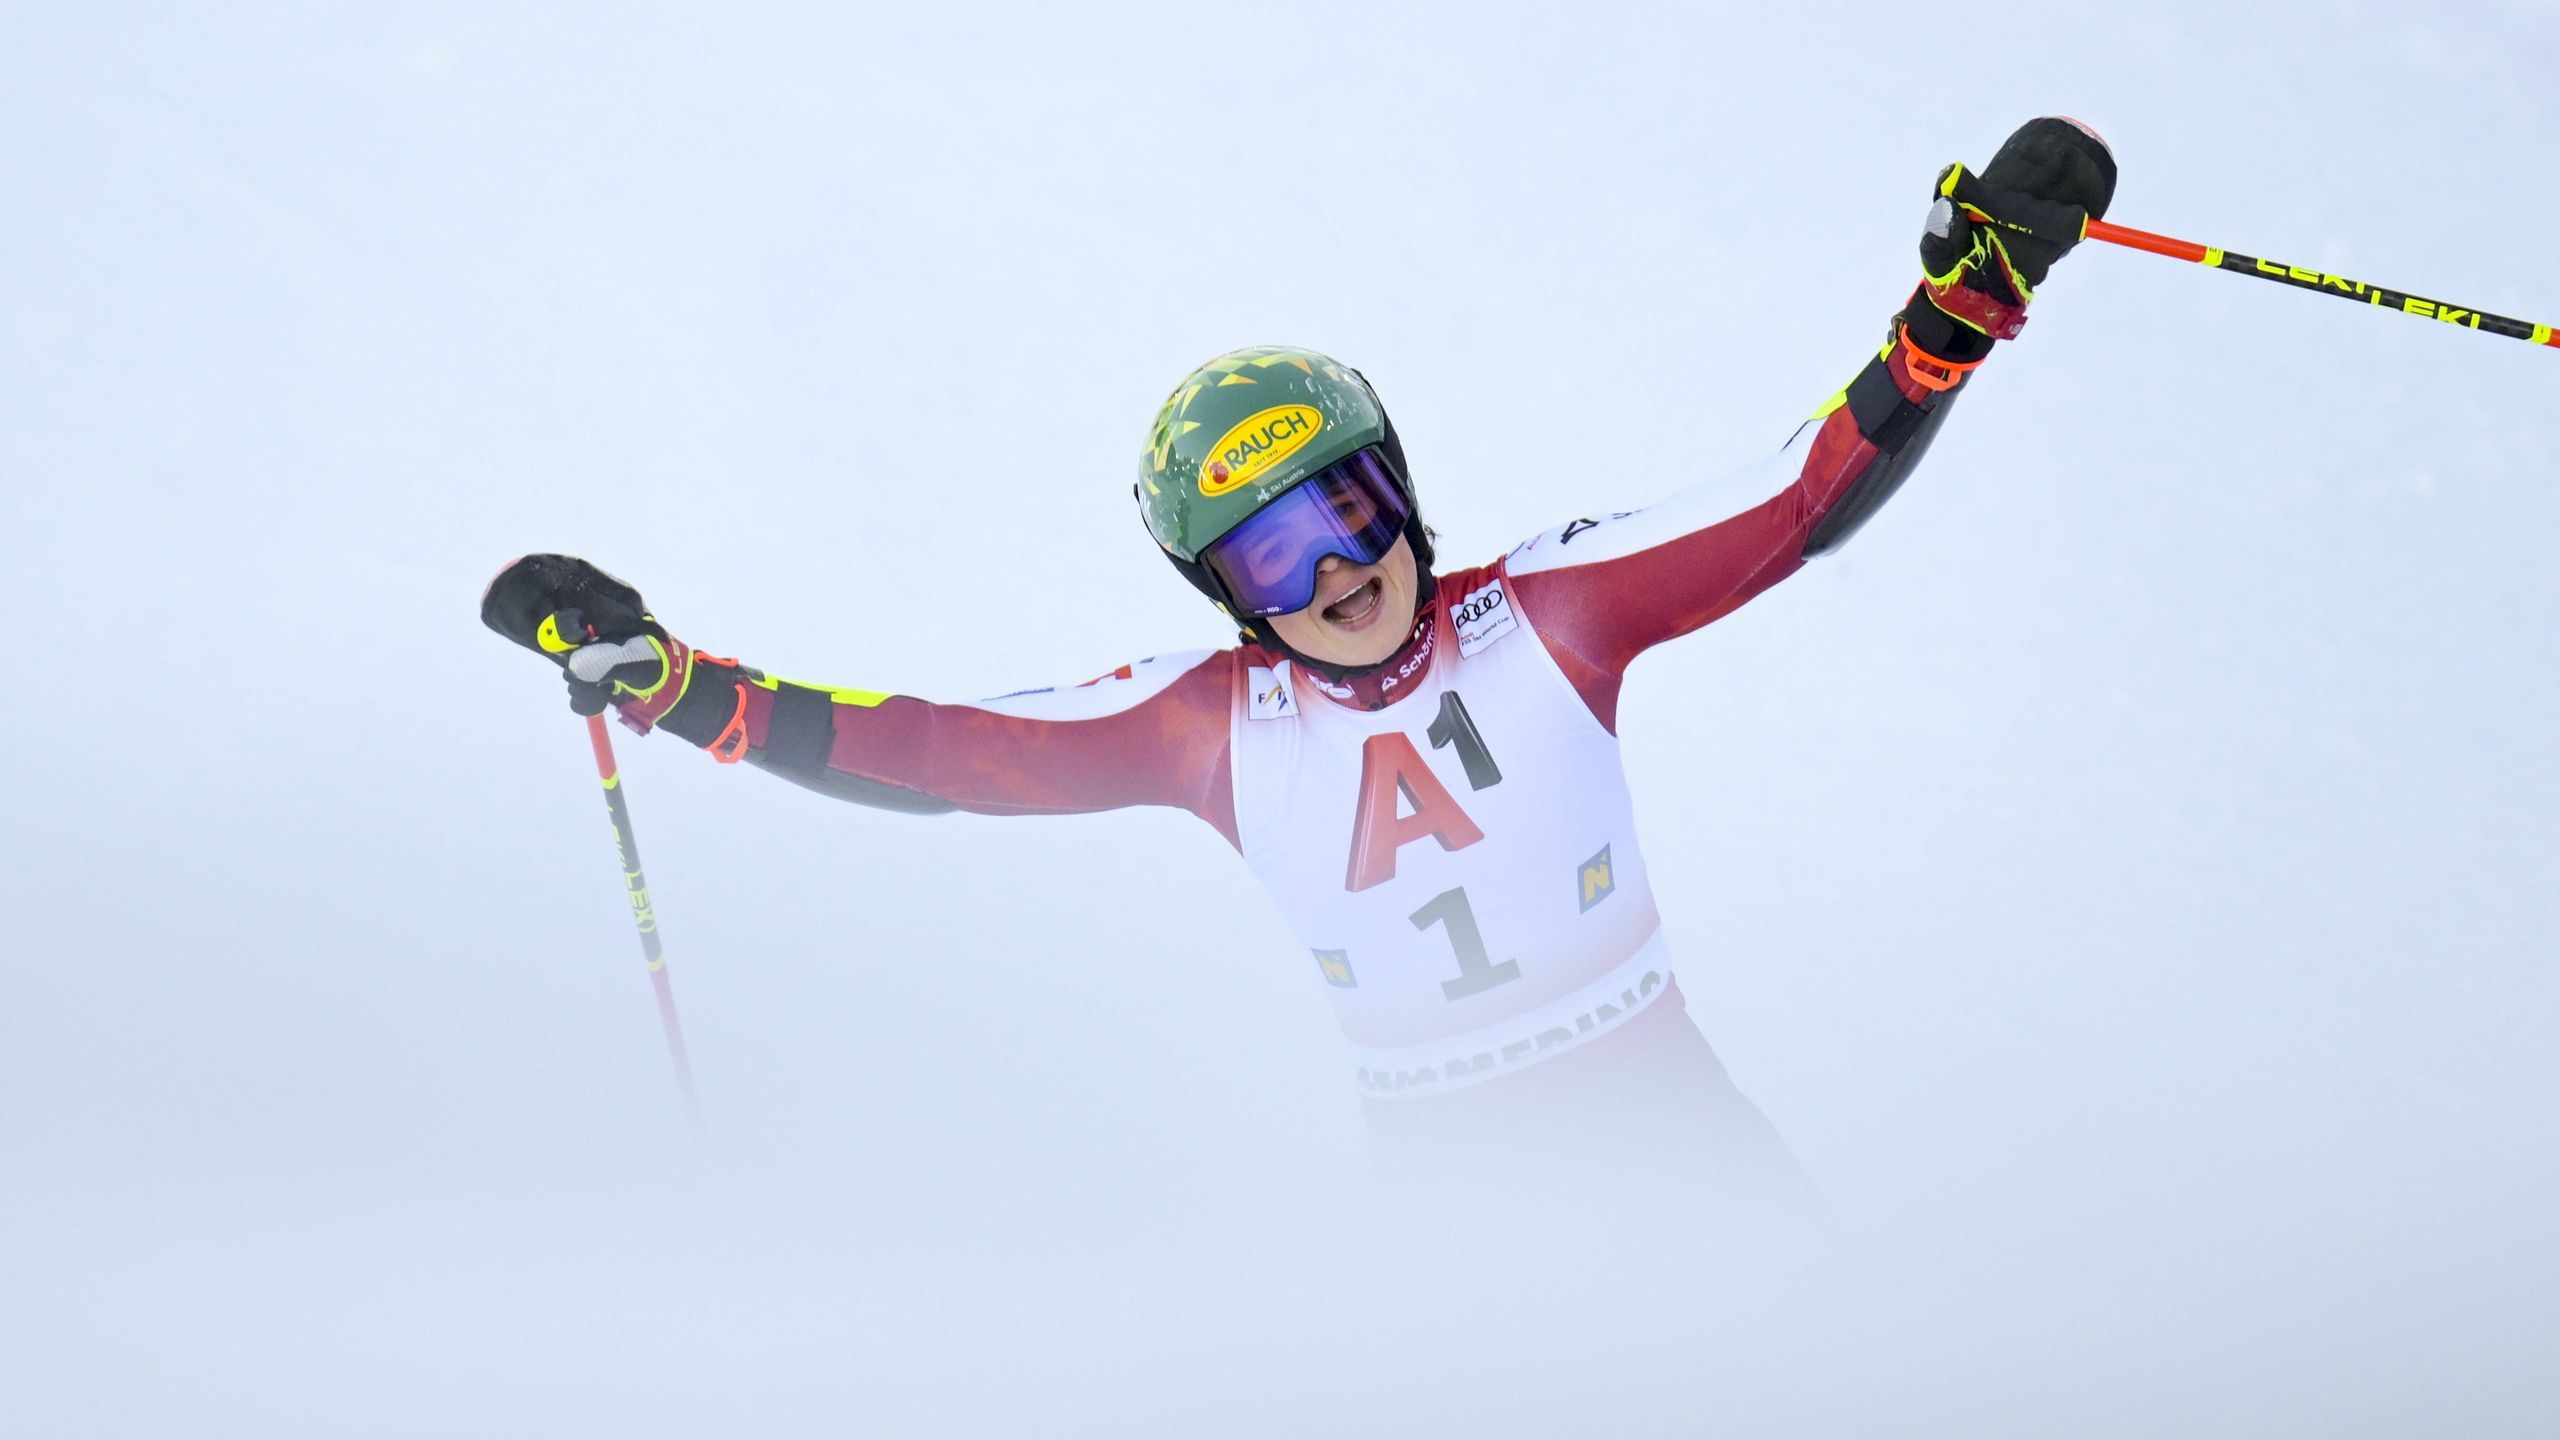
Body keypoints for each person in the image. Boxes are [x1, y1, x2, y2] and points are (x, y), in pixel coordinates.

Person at [485, 118, 2117, 1202]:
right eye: (1274, 554)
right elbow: (933, 755)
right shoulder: (1210, 728)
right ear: (1227, 597)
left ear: (1403, 488)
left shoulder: (1548, 611)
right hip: (1454, 1210)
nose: (1340, 572)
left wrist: (1958, 309)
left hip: (1678, 1150)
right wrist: (668, 681)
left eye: (1349, 506)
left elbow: (1797, 502)